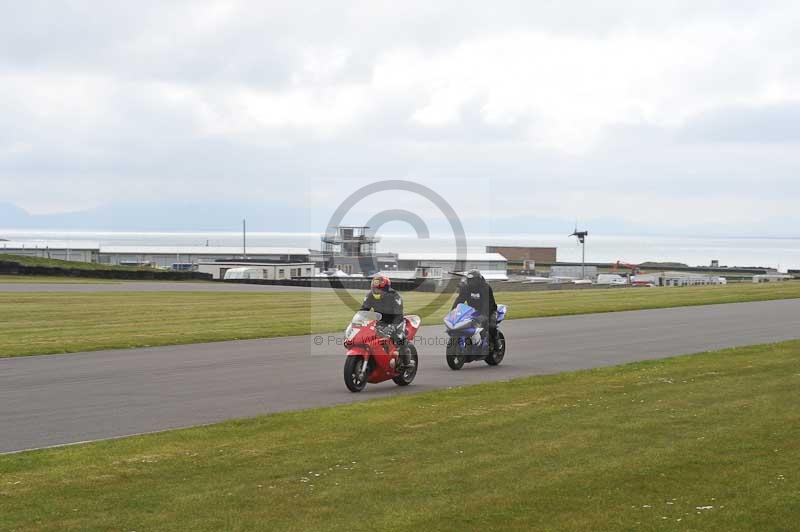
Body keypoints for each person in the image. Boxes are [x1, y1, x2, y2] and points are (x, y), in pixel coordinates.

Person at [360, 275, 414, 368]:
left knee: (399, 337)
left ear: (386, 289)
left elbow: (398, 314)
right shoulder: (370, 296)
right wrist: (359, 321)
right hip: (379, 321)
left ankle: (407, 362)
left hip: (396, 321)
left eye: (379, 289)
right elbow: (363, 310)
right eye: (374, 289)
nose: (376, 291)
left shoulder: (395, 296)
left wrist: (392, 327)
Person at [451, 269, 500, 350]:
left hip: (489, 310)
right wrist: (453, 312)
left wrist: (483, 316)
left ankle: (497, 342)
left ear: (477, 280)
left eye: (472, 280)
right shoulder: (466, 288)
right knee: (464, 324)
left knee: (491, 326)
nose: (470, 282)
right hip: (473, 311)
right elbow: (460, 300)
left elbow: (486, 303)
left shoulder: (485, 288)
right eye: (469, 280)